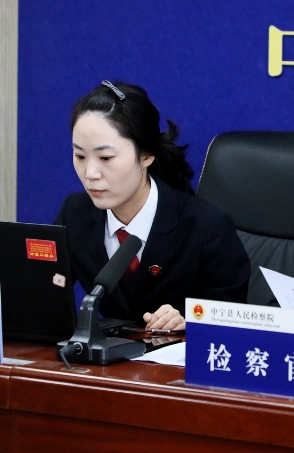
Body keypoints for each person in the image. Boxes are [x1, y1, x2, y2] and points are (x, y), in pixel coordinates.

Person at [54, 81, 250, 330]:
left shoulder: (207, 227)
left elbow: (231, 323)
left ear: (146, 155)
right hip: (108, 352)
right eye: (80, 156)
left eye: (105, 158)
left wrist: (189, 323)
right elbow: (44, 291)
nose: (90, 173)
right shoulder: (75, 212)